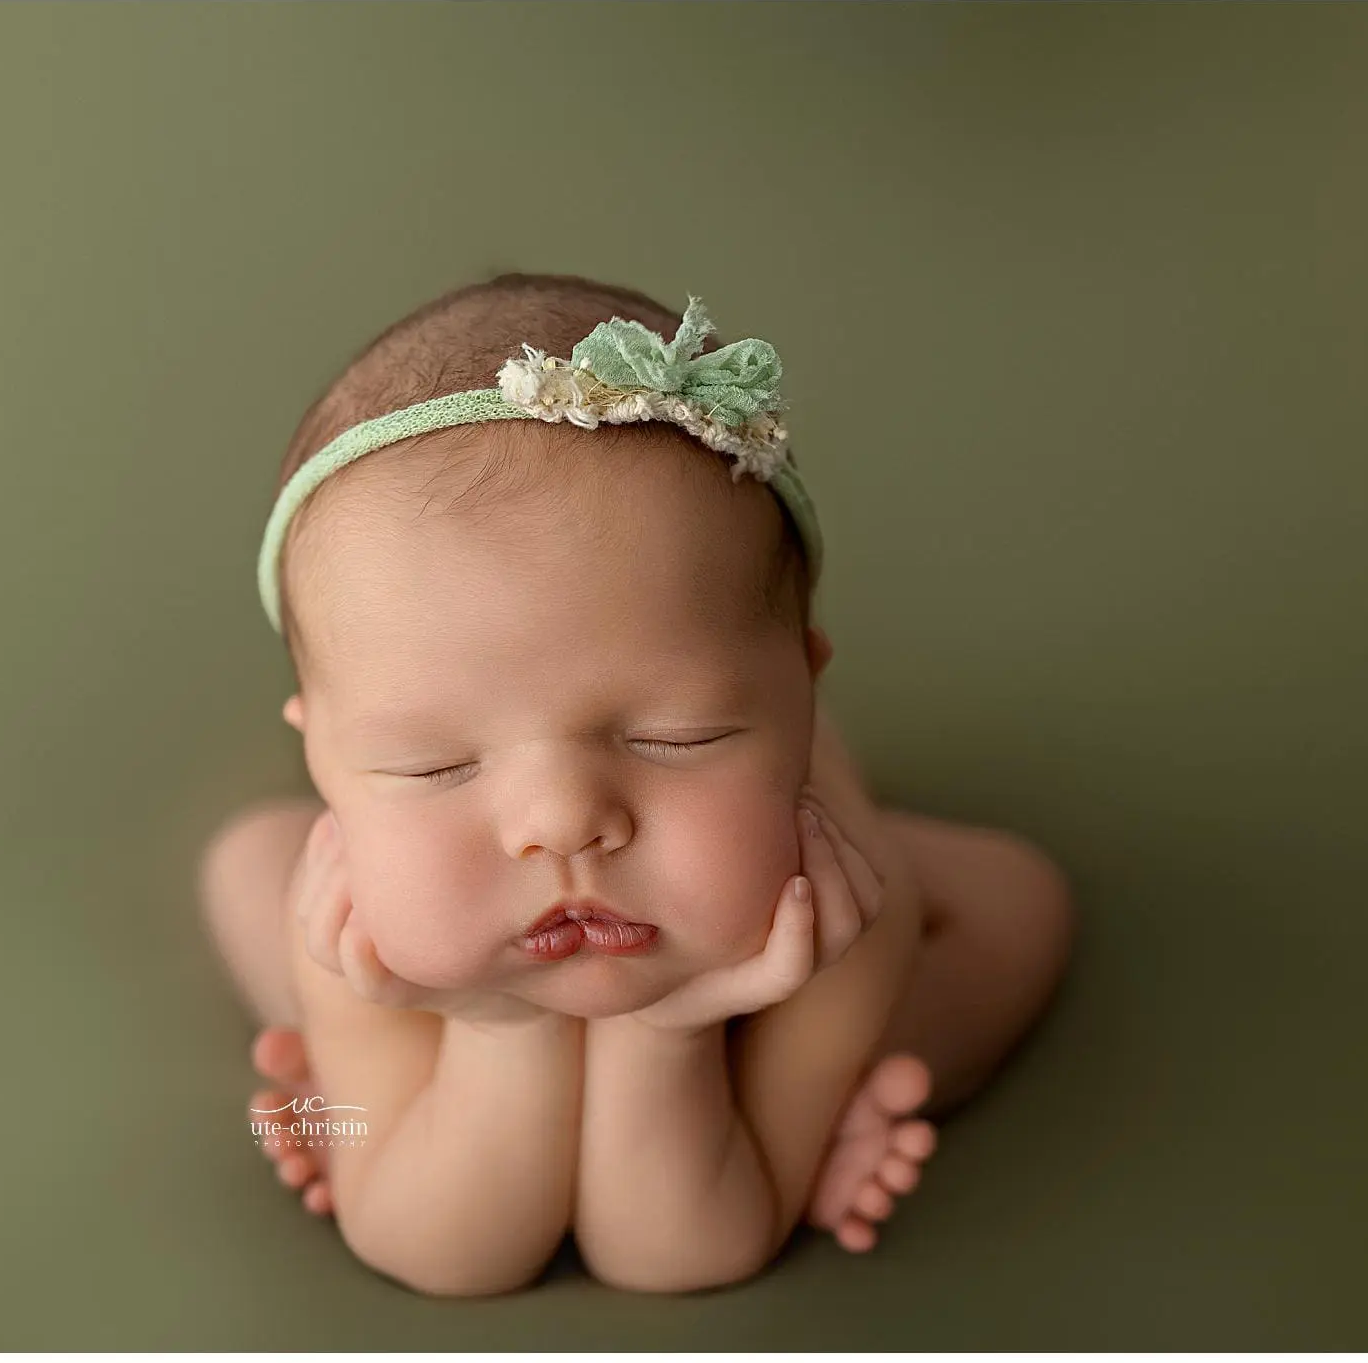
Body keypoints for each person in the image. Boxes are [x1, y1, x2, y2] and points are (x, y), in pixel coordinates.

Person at [198, 273, 1077, 1295]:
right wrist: (498, 1025)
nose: (563, 821)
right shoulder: (363, 909)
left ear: (798, 697)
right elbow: (442, 1254)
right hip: (439, 939)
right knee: (247, 862)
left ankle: (812, 1101)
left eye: (677, 736)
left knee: (1019, 903)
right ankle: (364, 1083)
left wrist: (676, 1030)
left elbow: (677, 1252)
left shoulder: (831, 914)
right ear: (327, 759)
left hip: (784, 953)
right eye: (432, 764)